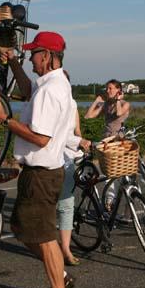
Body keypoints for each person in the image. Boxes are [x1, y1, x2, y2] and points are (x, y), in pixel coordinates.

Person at [0, 31, 75, 288]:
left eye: (34, 53)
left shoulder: (51, 91)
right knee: (23, 228)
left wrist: (4, 120)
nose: (30, 57)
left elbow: (41, 138)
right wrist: (13, 63)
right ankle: (60, 274)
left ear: (47, 56)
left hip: (42, 175)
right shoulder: (50, 84)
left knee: (45, 237)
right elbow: (27, 89)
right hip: (39, 173)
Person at [84, 80, 131, 218]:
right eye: (107, 88)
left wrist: (117, 99)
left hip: (119, 142)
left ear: (118, 90)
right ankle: (109, 205)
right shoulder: (106, 105)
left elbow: (118, 113)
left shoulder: (125, 104)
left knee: (125, 176)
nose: (108, 90)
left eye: (110, 88)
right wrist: (97, 100)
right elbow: (88, 116)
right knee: (110, 175)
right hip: (107, 143)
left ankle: (128, 211)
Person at [57, 78, 91, 266]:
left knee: (67, 203)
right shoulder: (52, 101)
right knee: (58, 204)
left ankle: (65, 249)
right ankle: (53, 247)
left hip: (70, 156)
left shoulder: (72, 103)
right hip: (54, 156)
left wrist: (82, 142)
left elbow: (76, 129)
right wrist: (78, 141)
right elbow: (56, 134)